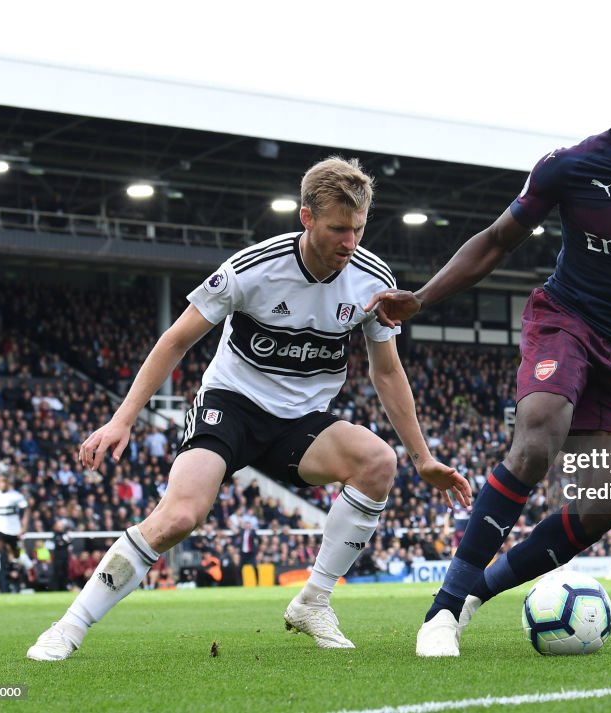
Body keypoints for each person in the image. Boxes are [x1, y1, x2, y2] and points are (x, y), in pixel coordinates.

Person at [368, 51, 611, 656]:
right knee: (538, 439)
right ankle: (442, 611)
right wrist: (421, 298)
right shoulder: (571, 168)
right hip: (565, 321)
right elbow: (496, 241)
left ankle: (476, 594)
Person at [26, 157, 471, 661]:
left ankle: (313, 601)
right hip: (231, 405)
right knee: (181, 515)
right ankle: (69, 626)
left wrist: (422, 457)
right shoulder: (253, 268)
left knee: (378, 462)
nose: (350, 242)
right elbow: (176, 341)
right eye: (338, 229)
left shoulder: (372, 279)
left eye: (359, 229)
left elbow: (386, 371)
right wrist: (123, 417)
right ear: (306, 217)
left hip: (301, 422)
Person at [0, 475, 33, 592]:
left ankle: (30, 566)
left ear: (8, 483)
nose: (2, 484)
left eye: (4, 481)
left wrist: (24, 527)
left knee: (17, 557)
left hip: (14, 531)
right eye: (0, 482)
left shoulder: (16, 496)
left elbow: (27, 510)